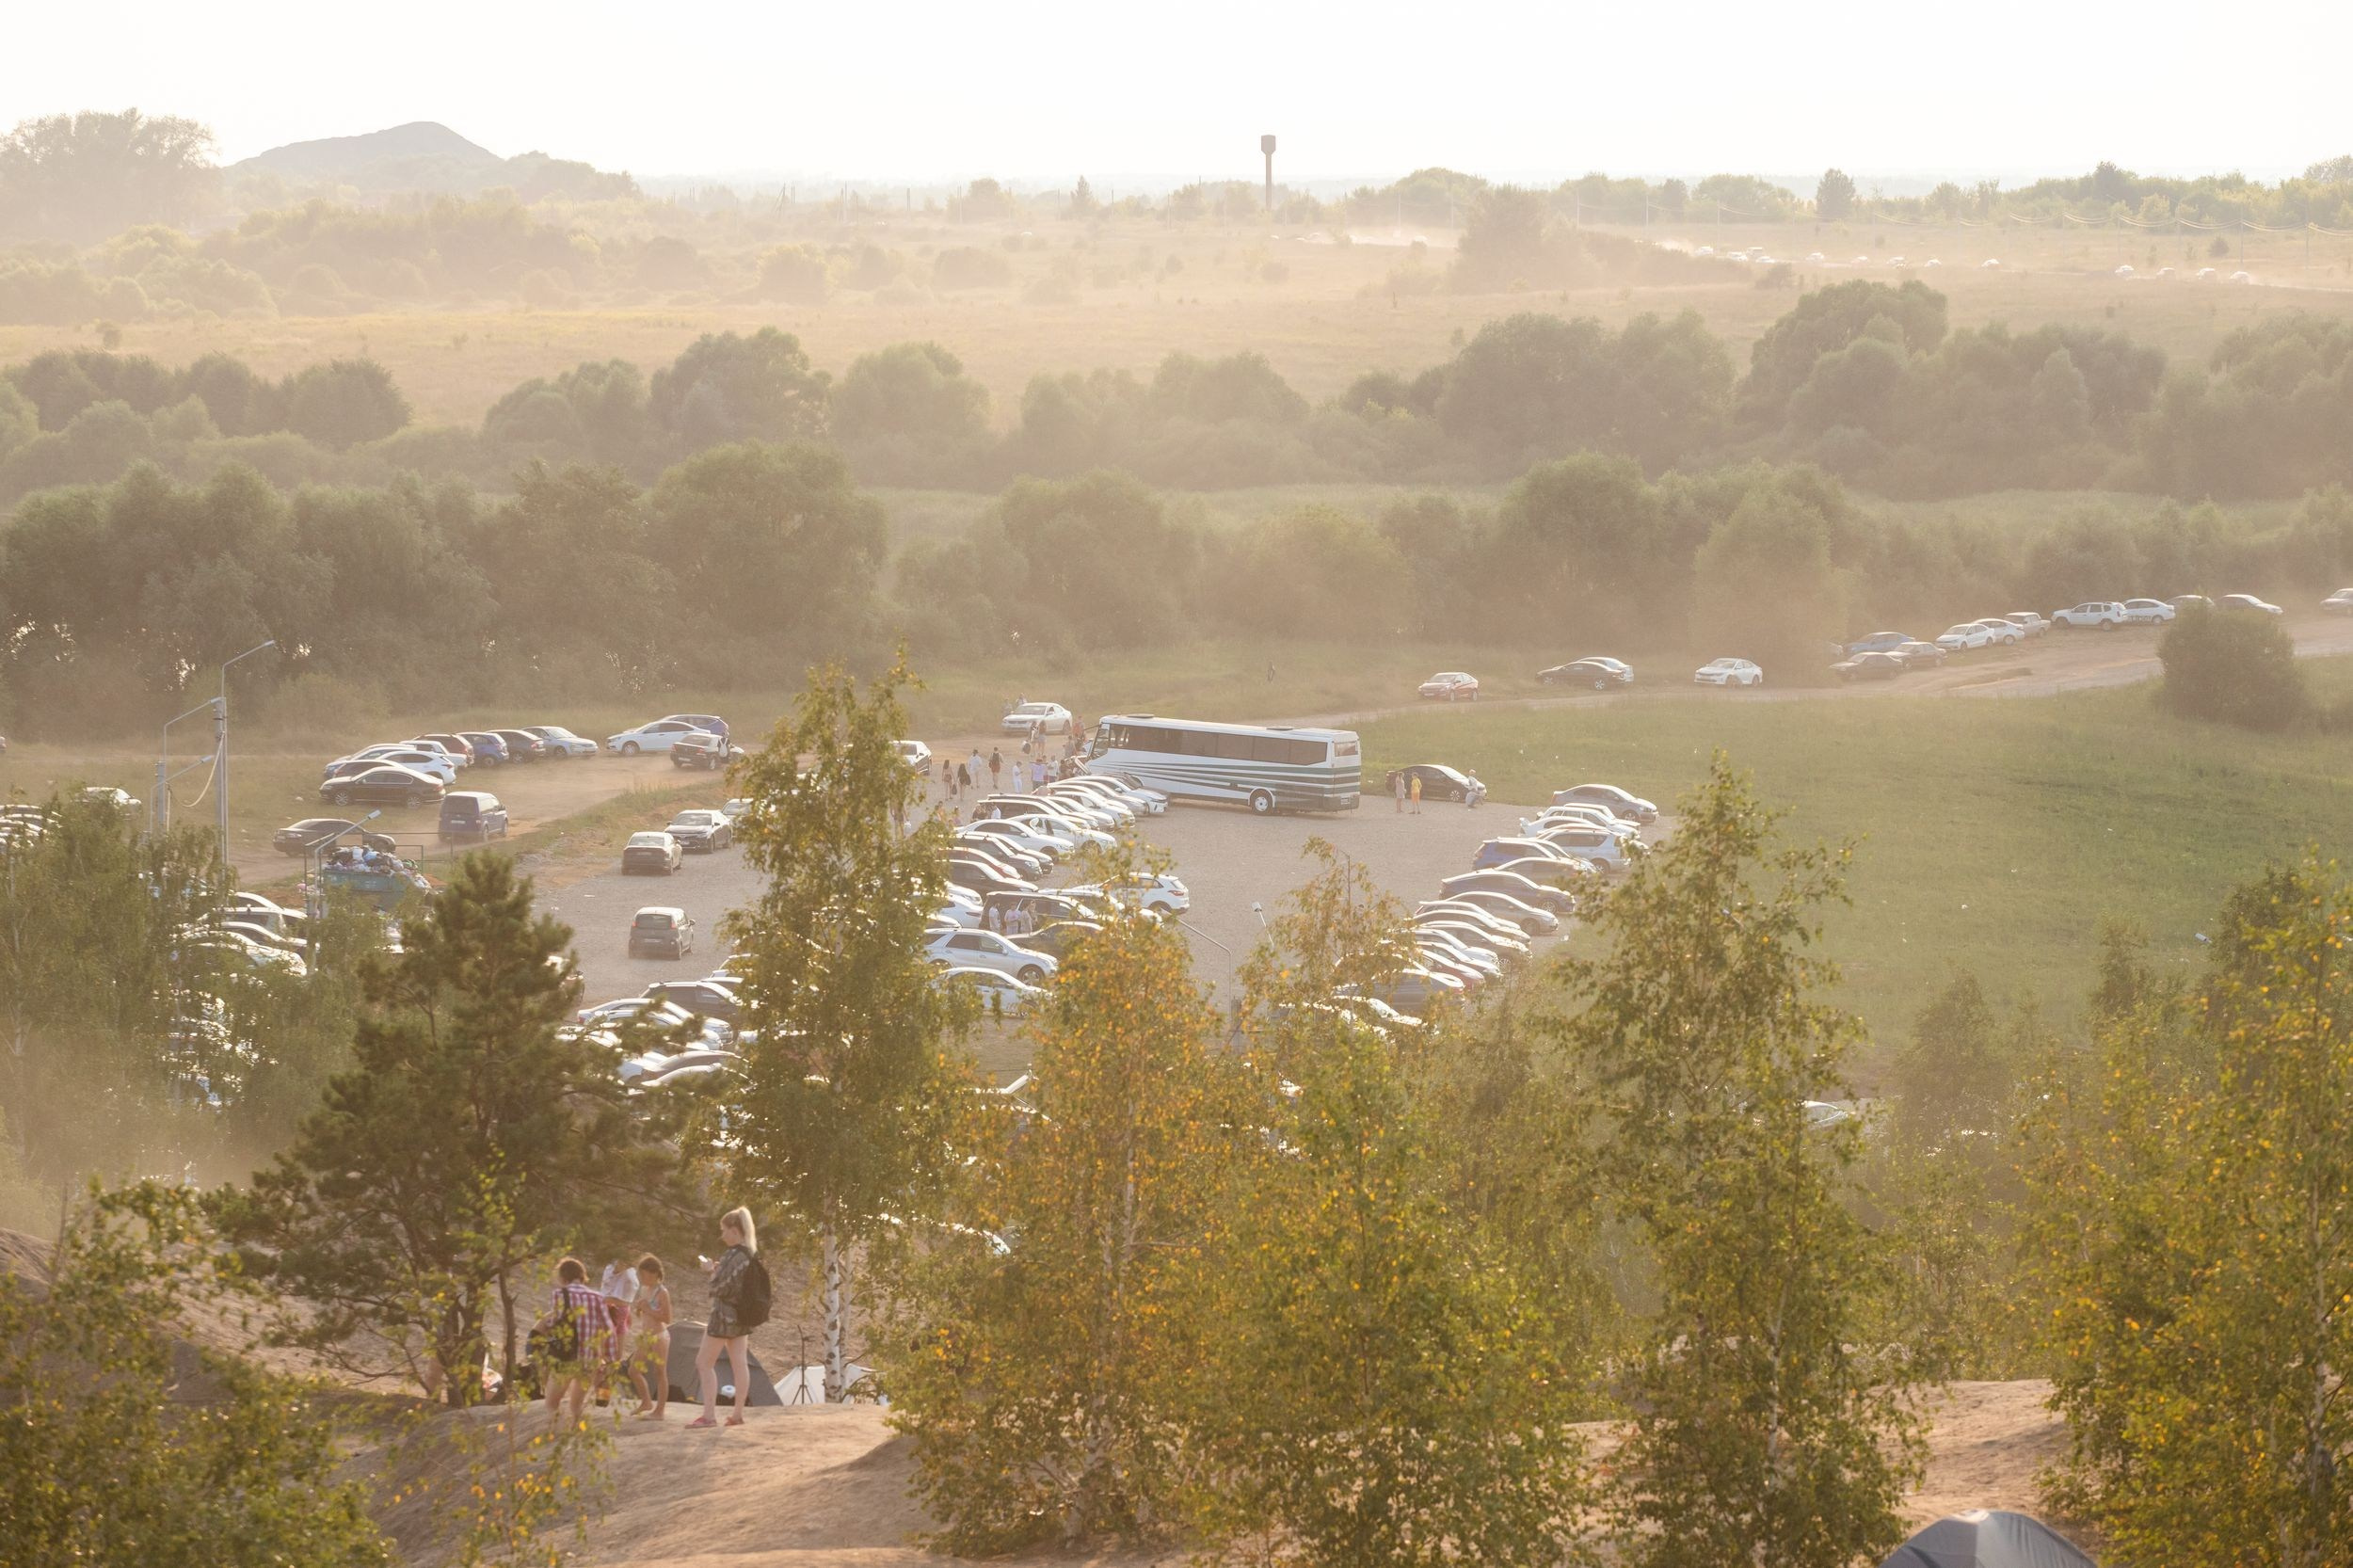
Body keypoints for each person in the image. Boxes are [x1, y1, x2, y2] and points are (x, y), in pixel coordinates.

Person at [691, 1208, 758, 1430]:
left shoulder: (732, 1255)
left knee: (703, 1363)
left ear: (734, 1230)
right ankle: (737, 1414)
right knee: (740, 1363)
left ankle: (709, 1416)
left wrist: (710, 1271)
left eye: (724, 1230)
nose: (722, 1235)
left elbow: (719, 1288)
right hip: (742, 1318)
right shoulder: (749, 1255)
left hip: (723, 1317)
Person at [545, 1256, 615, 1424]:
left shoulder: (560, 1294)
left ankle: (556, 1433)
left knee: (551, 1403)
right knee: (576, 1406)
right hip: (589, 1360)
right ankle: (575, 1433)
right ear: (582, 1276)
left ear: (563, 1277)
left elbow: (555, 1324)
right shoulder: (597, 1297)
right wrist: (609, 1360)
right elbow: (609, 1329)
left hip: (566, 1358)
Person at [629, 1256, 674, 1420]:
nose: (641, 1278)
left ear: (654, 1273)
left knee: (659, 1372)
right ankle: (646, 1402)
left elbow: (667, 1318)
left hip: (659, 1336)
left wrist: (647, 1309)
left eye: (644, 1274)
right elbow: (645, 1311)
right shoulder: (644, 1289)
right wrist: (640, 1309)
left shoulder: (662, 1292)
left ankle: (659, 1411)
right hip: (646, 1336)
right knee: (633, 1370)